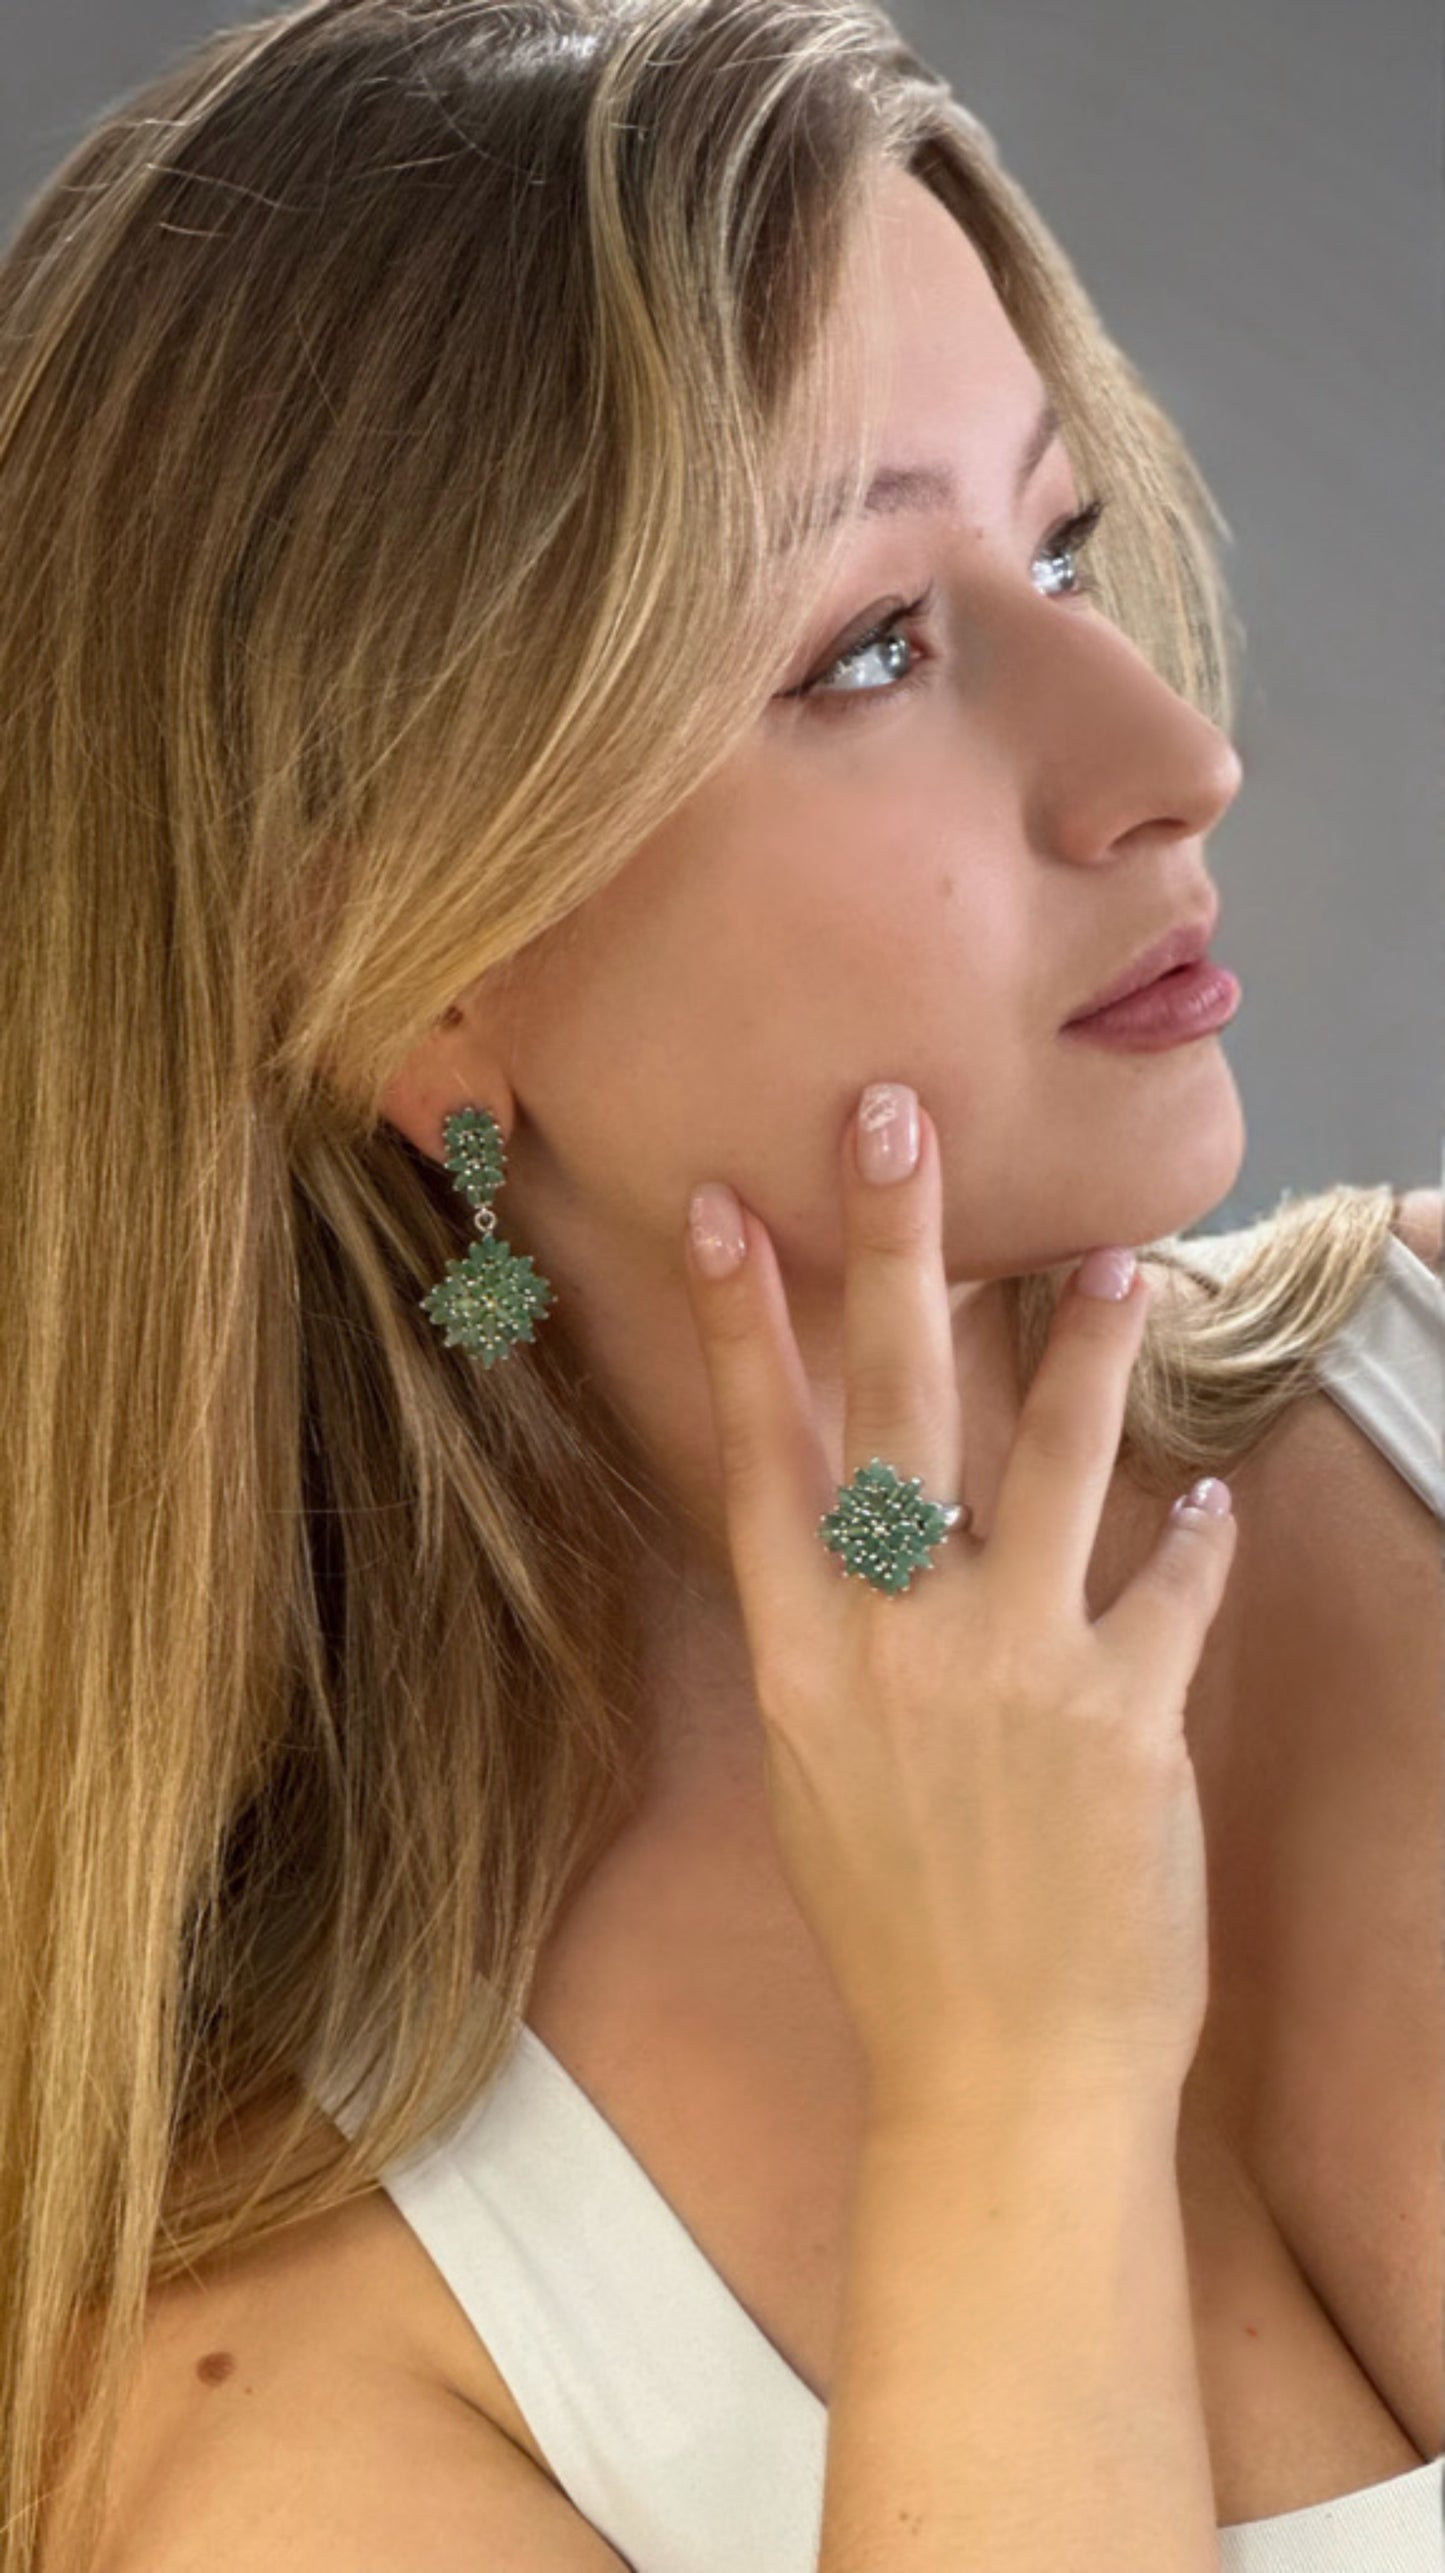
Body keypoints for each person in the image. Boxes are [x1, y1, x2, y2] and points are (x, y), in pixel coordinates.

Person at [2, 3, 1439, 2567]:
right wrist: (1023, 2089)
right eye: (871, 646)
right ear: (403, 966)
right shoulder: (285, 2380)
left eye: (1068, 548)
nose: (1166, 757)